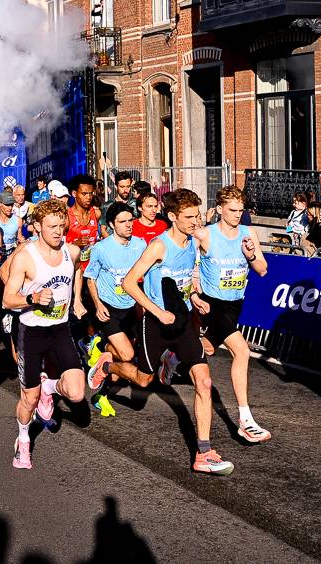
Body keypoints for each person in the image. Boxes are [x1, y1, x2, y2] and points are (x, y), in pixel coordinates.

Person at [116, 189, 233, 475]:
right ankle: (109, 366)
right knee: (144, 379)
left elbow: (182, 282)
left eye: (197, 215)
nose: (195, 221)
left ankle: (203, 453)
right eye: (189, 217)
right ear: (172, 216)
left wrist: (194, 297)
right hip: (155, 323)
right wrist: (157, 312)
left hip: (182, 323)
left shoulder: (193, 242)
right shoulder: (159, 246)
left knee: (204, 382)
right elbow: (129, 283)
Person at [1, 198, 92, 470]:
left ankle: (48, 387)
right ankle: (23, 439)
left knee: (76, 392)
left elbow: (77, 272)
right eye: (52, 227)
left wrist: (77, 299)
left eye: (61, 226)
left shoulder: (71, 251)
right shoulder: (25, 257)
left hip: (60, 329)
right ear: (38, 226)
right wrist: (33, 298)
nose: (58, 232)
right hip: (31, 332)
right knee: (29, 399)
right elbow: (7, 299)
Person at [194, 186, 271, 442]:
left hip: (235, 303)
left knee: (208, 348)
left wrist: (251, 255)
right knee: (242, 351)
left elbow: (262, 269)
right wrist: (193, 291)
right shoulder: (205, 234)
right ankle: (245, 420)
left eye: (241, 210)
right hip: (211, 303)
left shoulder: (249, 233)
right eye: (233, 210)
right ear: (220, 209)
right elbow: (187, 263)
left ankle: (171, 359)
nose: (238, 215)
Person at [83, 203, 146, 418]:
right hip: (109, 308)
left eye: (130, 220)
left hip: (131, 308)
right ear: (111, 224)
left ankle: (102, 395)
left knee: (121, 360)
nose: (128, 225)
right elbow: (90, 278)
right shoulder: (101, 248)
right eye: (122, 221)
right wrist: (97, 304)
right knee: (127, 354)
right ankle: (101, 345)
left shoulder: (140, 245)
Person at [64, 174, 101, 269]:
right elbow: (57, 247)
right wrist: (74, 244)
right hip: (73, 267)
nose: (89, 197)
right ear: (74, 194)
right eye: (84, 194)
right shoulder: (66, 217)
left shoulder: (96, 213)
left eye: (91, 193)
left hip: (92, 268)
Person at [100, 171, 137, 236]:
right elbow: (103, 230)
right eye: (122, 187)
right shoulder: (107, 206)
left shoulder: (136, 204)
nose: (125, 190)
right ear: (116, 186)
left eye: (128, 186)